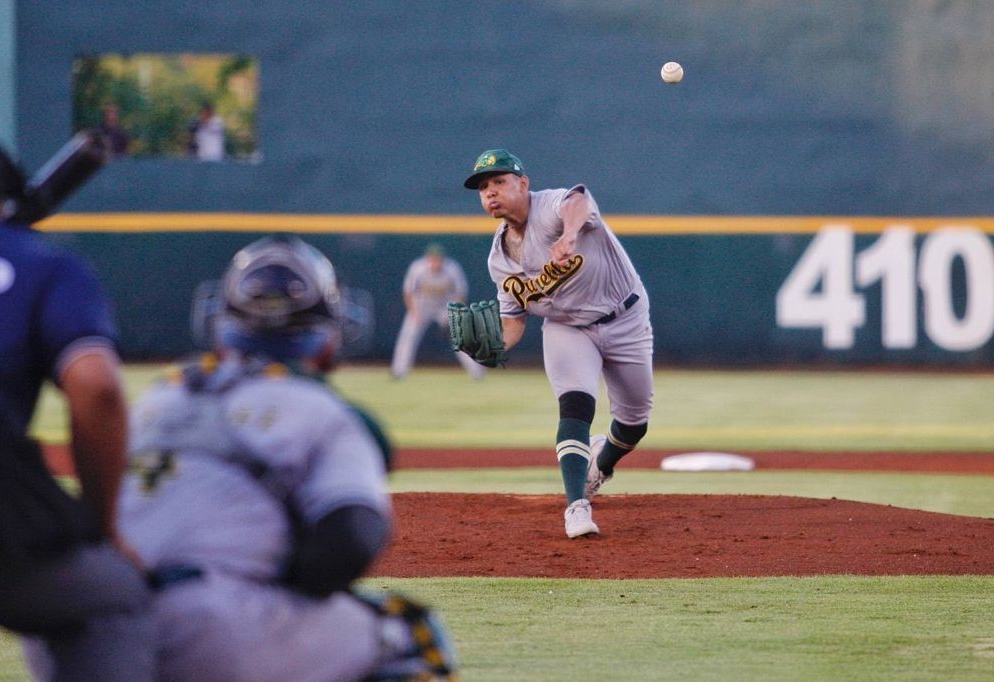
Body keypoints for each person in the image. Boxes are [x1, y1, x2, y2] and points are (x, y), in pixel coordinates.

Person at [78, 235, 456, 680]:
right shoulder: (321, 408)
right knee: (408, 631)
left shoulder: (159, 397)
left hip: (80, 621)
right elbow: (351, 538)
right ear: (325, 339)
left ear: (222, 327)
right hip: (205, 623)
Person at [0, 128, 155, 678]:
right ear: (2, 197)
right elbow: (97, 387)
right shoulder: (42, 264)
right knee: (111, 598)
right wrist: (103, 526)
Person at [463, 149, 654, 539]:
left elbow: (579, 201)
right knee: (575, 404)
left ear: (523, 183)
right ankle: (576, 505)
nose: (491, 193)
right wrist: (490, 344)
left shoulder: (551, 205)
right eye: (483, 188)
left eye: (499, 182)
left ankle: (601, 464)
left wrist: (568, 236)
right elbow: (513, 321)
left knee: (635, 423)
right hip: (567, 326)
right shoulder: (499, 259)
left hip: (624, 316)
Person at [391, 243, 485, 380]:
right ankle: (398, 372)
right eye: (433, 259)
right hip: (422, 307)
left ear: (442, 259)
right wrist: (414, 312)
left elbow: (461, 293)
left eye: (438, 259)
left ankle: (477, 373)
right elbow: (408, 292)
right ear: (427, 259)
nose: (435, 262)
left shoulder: (452, 268)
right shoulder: (418, 268)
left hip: (445, 307)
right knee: (408, 336)